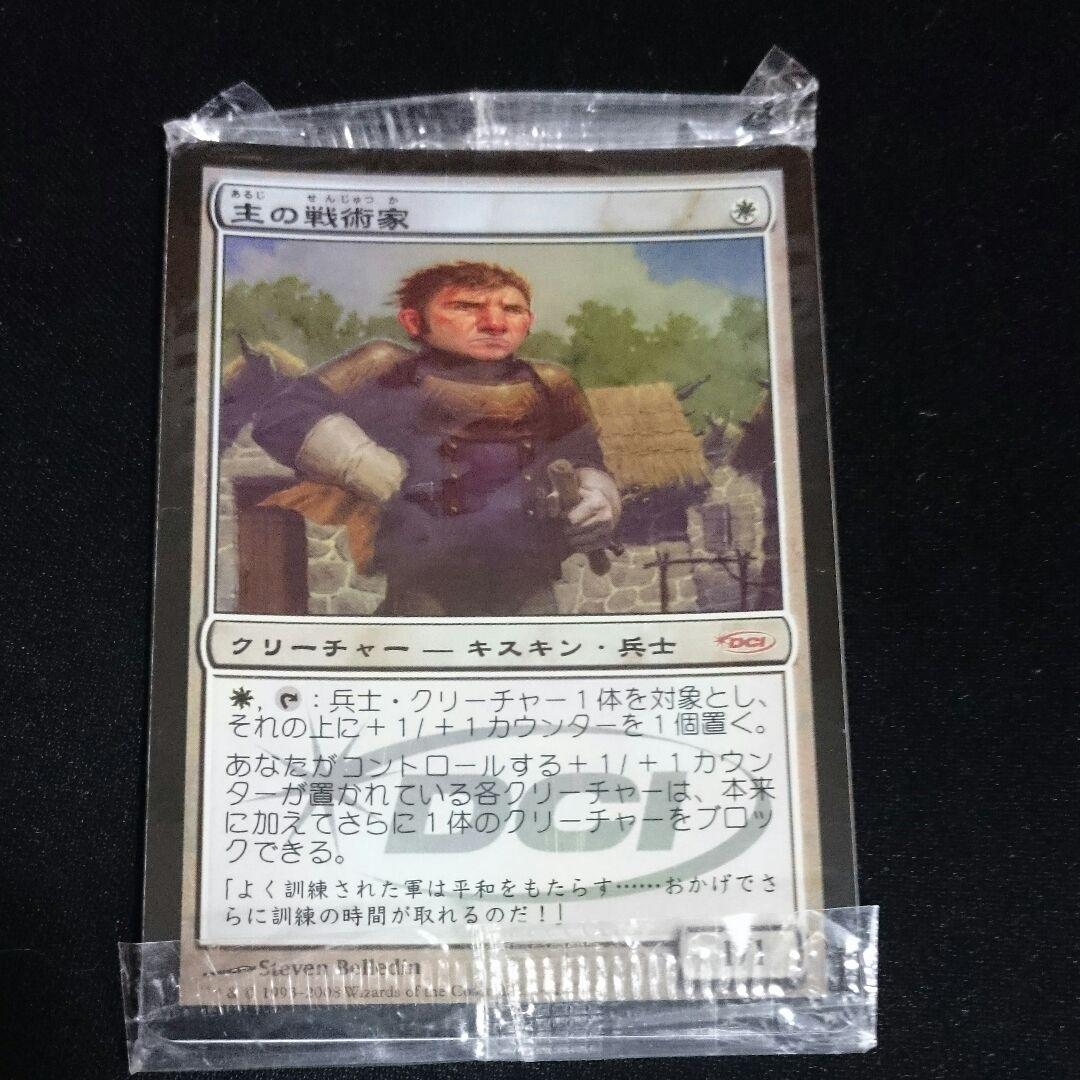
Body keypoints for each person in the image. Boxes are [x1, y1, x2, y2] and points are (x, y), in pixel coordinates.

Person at [251, 261, 620, 615]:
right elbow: (282, 415)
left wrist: (599, 498)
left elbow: (584, 456)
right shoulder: (385, 368)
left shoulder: (552, 384)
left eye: (512, 309)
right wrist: (361, 462)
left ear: (529, 322)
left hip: (529, 575)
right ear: (414, 321)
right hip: (424, 576)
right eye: (465, 306)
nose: (494, 324)